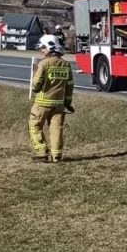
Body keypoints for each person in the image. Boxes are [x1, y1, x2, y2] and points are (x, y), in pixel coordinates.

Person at [29, 34, 74, 163]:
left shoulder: (44, 63)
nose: (41, 50)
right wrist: (68, 101)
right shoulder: (66, 64)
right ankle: (57, 156)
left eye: (43, 47)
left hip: (42, 103)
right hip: (59, 104)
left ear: (50, 47)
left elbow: (37, 82)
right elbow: (70, 85)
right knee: (56, 130)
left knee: (34, 126)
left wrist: (35, 88)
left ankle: (41, 153)